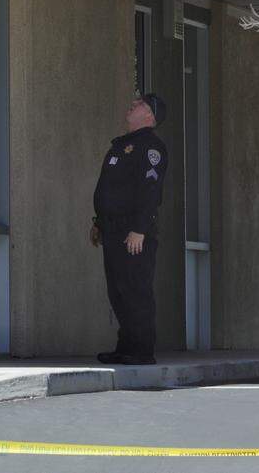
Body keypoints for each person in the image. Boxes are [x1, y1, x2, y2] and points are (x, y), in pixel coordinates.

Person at [90, 94, 168, 365]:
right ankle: (126, 347)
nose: (133, 105)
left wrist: (140, 229)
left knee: (136, 290)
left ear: (150, 116)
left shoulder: (150, 147)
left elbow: (150, 191)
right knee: (118, 291)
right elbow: (111, 191)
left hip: (133, 233)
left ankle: (142, 351)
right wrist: (98, 223)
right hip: (112, 231)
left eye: (141, 104)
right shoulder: (121, 146)